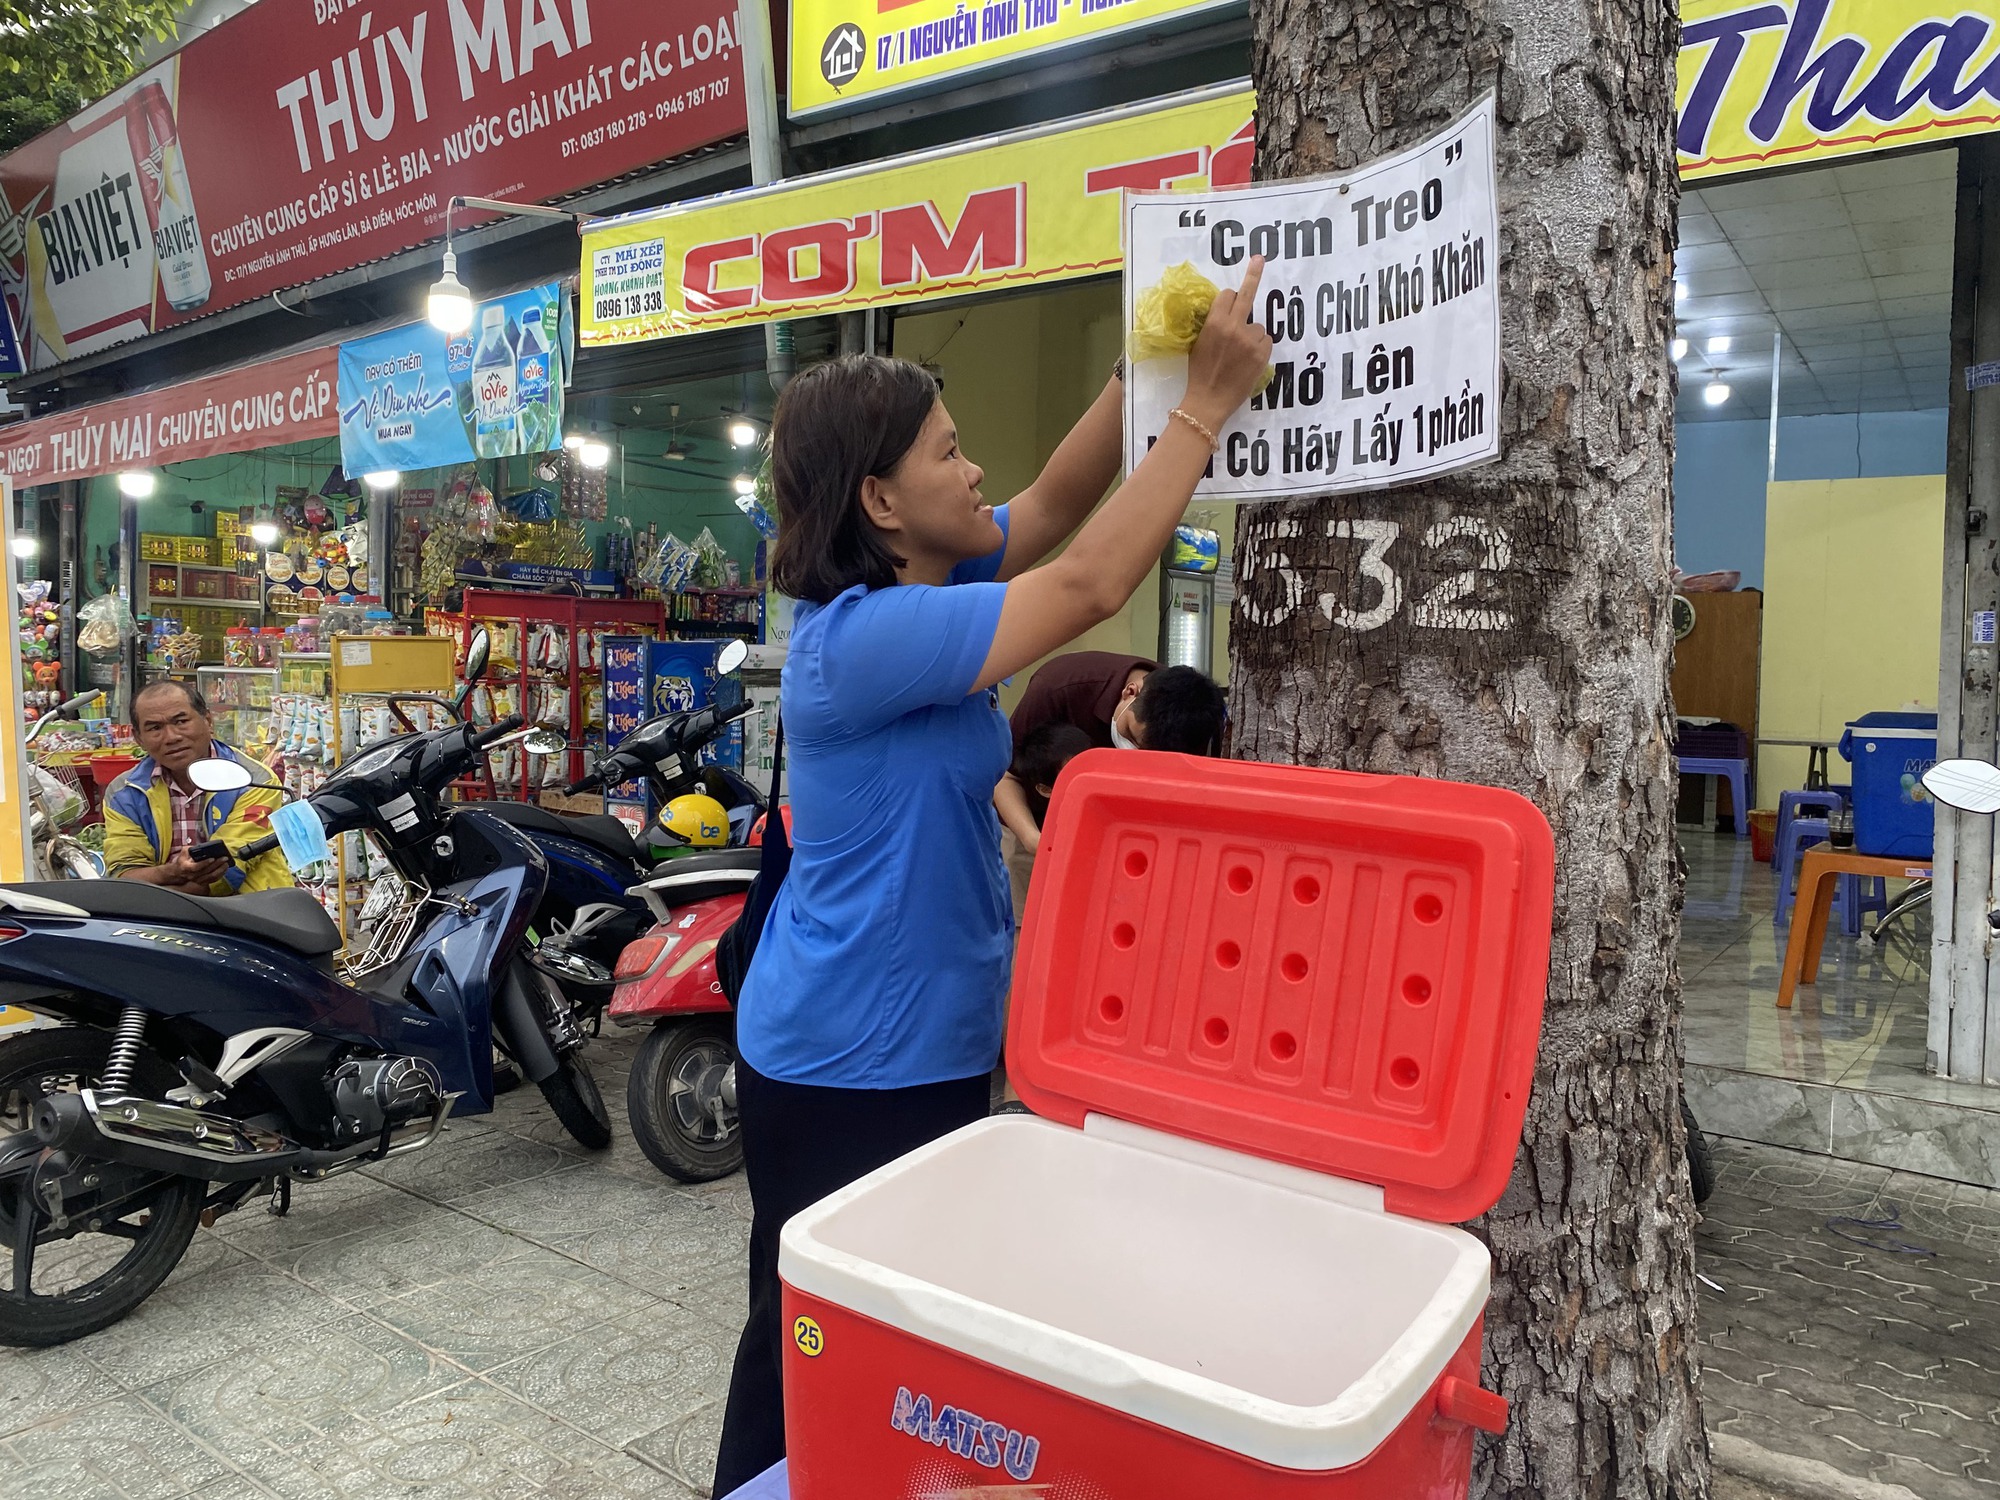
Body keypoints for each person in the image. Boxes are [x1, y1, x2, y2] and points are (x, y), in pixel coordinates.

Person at [710, 258, 1272, 1494]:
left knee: (900, 1330)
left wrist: (1153, 359)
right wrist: (1201, 412)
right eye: (949, 454)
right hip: (846, 1059)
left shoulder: (936, 577)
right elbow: (1087, 583)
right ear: (881, 499)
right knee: (807, 1332)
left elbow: (1062, 500)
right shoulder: (857, 643)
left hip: (926, 1037)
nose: (974, 472)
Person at [996, 656, 1226, 862]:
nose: (1133, 755)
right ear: (1130, 692)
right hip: (1040, 828)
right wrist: (1034, 839)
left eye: (1150, 756)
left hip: (1131, 843)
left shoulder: (1198, 723)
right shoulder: (1058, 687)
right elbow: (1005, 778)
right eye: (1131, 736)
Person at [103, 680, 292, 895]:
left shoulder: (254, 780)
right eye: (155, 728)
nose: (172, 737)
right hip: (158, 918)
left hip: (252, 912)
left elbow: (228, 867)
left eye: (181, 721)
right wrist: (173, 872)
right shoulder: (124, 793)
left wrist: (160, 888)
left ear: (208, 721)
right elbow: (124, 874)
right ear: (139, 738)